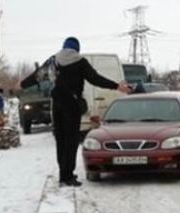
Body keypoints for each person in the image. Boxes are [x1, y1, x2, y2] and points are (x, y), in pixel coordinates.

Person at [21, 37, 130, 186]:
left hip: (57, 104)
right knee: (71, 141)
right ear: (77, 48)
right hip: (72, 105)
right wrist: (116, 86)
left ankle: (62, 175)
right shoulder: (80, 62)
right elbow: (96, 79)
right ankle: (68, 176)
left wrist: (22, 84)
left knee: (60, 140)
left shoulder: (54, 60)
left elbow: (37, 76)